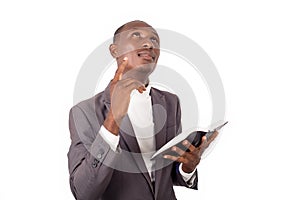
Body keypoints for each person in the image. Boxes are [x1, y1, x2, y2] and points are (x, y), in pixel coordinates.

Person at [68, 20, 218, 200]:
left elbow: (166, 174)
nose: (149, 44)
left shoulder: (171, 102)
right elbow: (84, 192)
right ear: (115, 50)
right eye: (136, 35)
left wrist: (187, 168)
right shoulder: (84, 112)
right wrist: (113, 121)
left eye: (155, 39)